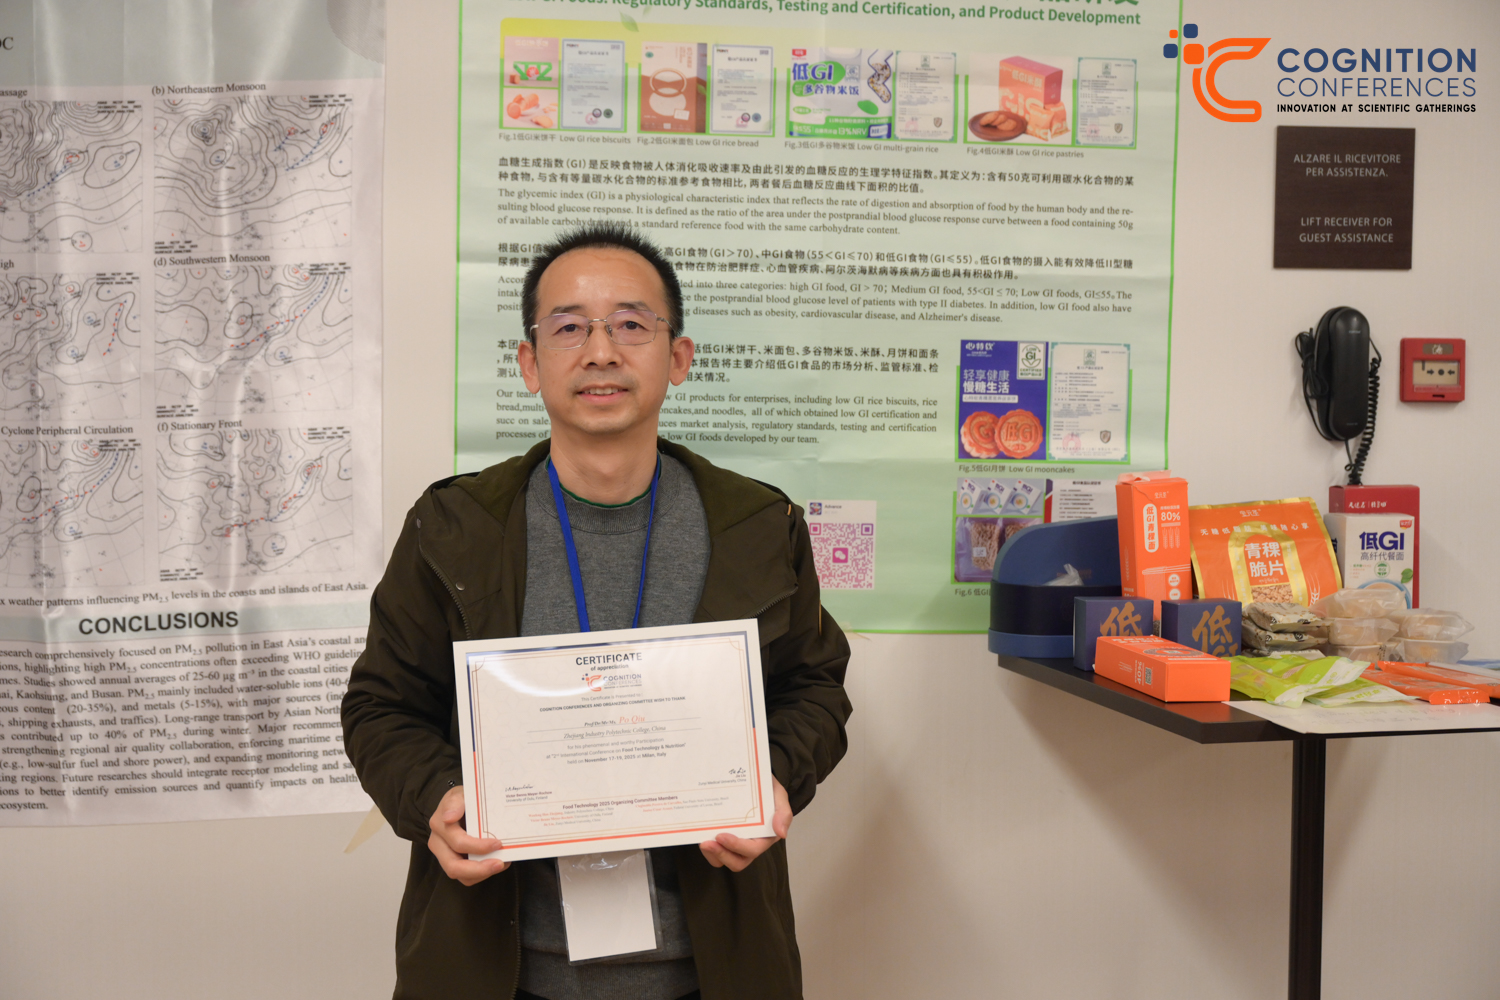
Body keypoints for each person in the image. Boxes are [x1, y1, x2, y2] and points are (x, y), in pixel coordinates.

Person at [342, 222, 853, 1000]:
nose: (602, 352)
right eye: (569, 328)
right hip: (499, 969)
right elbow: (381, 706)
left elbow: (813, 689)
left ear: (678, 358)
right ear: (529, 363)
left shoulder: (758, 526)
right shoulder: (454, 527)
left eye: (631, 325)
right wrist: (437, 796)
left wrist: (774, 779)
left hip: (712, 968)